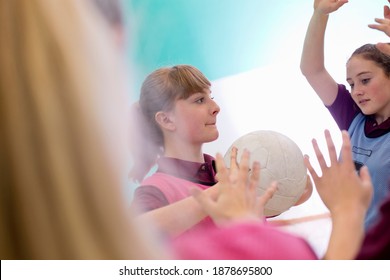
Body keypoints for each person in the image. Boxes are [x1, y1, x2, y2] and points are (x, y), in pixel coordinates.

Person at [129, 65, 313, 238]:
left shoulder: (229, 170)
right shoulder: (155, 189)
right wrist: (220, 191)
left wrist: (296, 188)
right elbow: (135, 234)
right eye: (200, 100)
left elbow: (267, 211)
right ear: (166, 120)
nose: (216, 108)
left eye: (211, 98)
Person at [300, 0, 390, 230]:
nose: (356, 91)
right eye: (351, 84)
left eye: (365, 80)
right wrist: (319, 14)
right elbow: (312, 69)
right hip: (351, 244)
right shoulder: (354, 116)